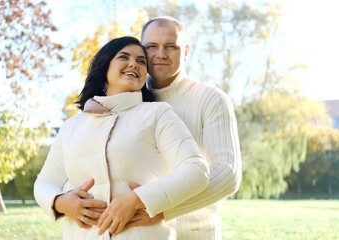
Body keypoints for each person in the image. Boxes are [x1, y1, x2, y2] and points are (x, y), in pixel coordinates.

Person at [34, 36, 210, 240]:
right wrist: (60, 202)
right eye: (123, 57)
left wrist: (137, 199)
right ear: (104, 67)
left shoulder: (158, 114)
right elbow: (44, 182)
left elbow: (196, 169)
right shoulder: (71, 126)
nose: (133, 63)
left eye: (141, 61)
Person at [84, 17, 242, 240]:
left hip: (194, 234)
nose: (160, 54)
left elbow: (228, 174)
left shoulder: (211, 99)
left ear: (185, 52)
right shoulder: (130, 100)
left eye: (171, 46)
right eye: (151, 47)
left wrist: (163, 208)